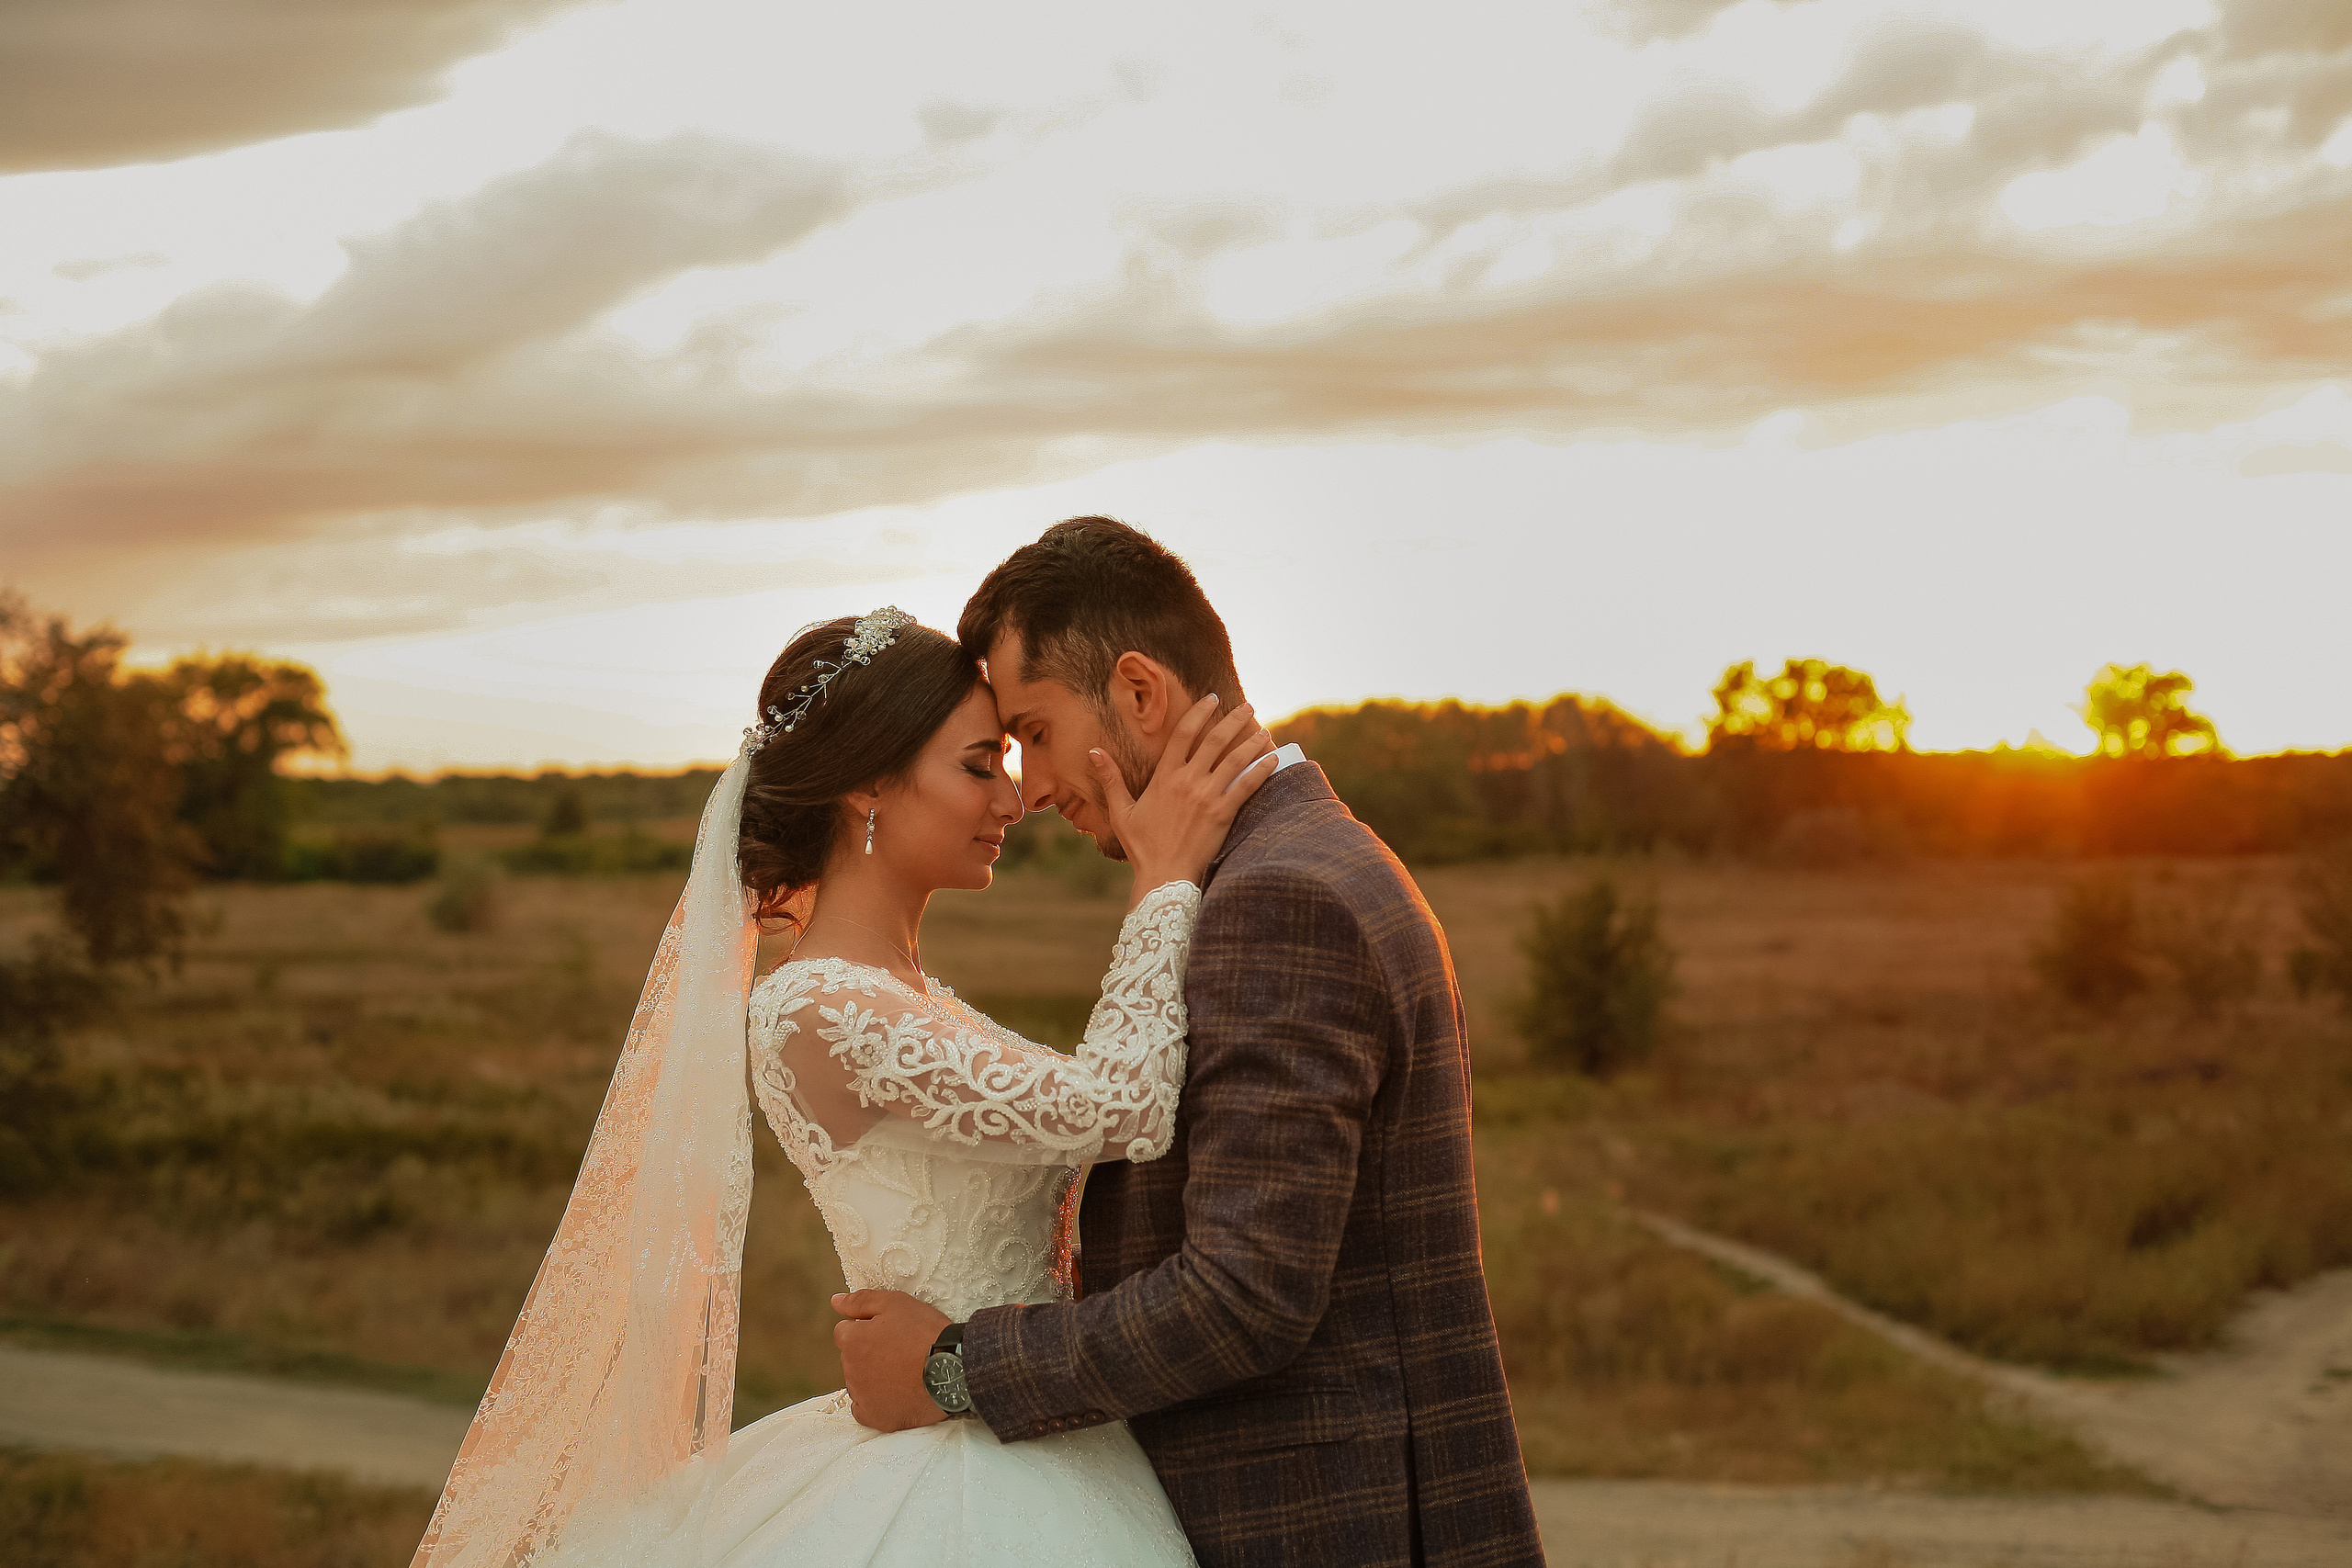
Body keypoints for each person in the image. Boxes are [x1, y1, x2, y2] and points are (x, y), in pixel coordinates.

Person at [413, 604, 1277, 1568]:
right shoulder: (817, 1011)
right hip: (962, 1473)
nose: (1012, 801)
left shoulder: (911, 997)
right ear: (870, 784)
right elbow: (1125, 1108)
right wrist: (1163, 884)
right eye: (978, 766)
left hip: (1032, 1421)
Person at [833, 519, 1545, 1567]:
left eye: (1032, 730)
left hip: (1322, 1524)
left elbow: (1244, 1297)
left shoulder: (1278, 899)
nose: (1028, 787)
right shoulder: (1297, 860)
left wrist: (952, 1367)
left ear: (1137, 692)